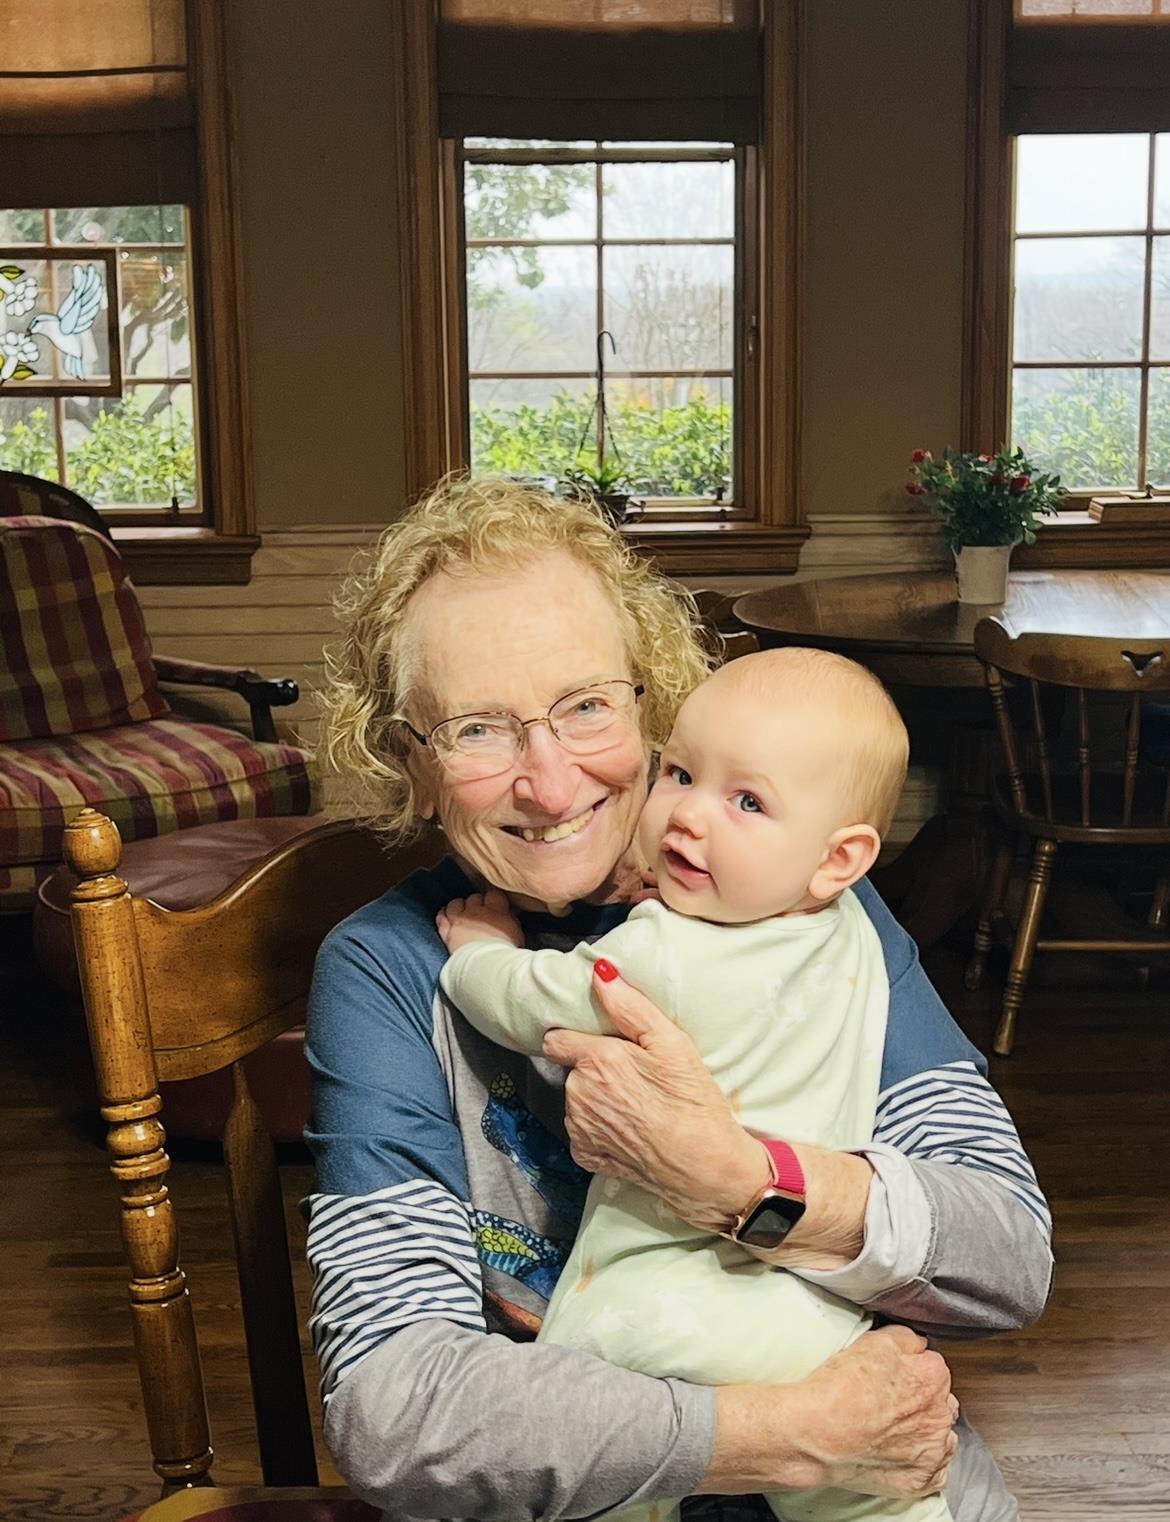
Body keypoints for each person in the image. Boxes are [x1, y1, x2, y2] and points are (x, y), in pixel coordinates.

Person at [305, 477, 1053, 1522]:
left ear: (652, 699)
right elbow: (393, 1410)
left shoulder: (798, 901)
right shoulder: (387, 967)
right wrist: (776, 1434)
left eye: (585, 706)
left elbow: (1008, 1256)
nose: (552, 784)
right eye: (477, 730)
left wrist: (741, 1180)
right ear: (410, 762)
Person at [437, 646, 950, 1522]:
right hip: (808, 1307)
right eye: (680, 774)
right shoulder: (849, 932)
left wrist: (479, 951)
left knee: (597, 1466)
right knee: (869, 1504)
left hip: (658, 1301)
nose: (688, 819)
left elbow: (531, 1003)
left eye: (747, 802)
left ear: (839, 858)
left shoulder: (661, 955)